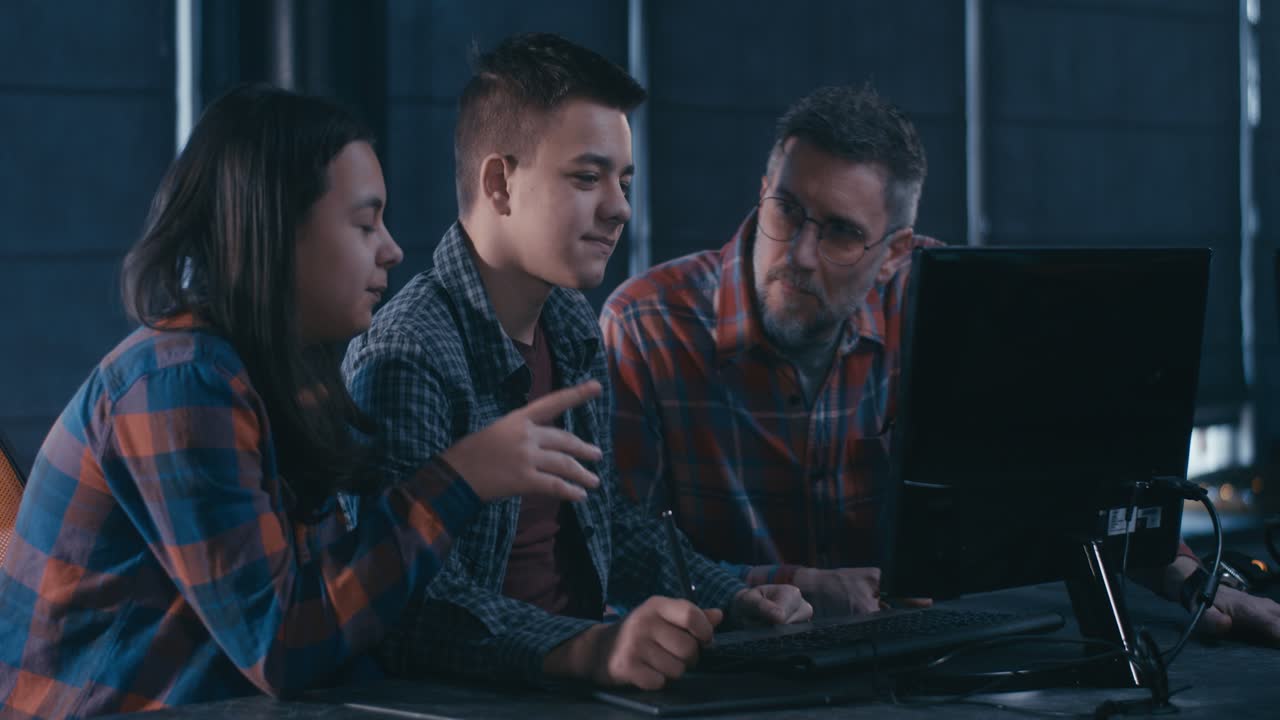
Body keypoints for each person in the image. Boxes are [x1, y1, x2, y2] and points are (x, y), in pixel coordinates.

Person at [0, 84, 602, 718]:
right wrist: (461, 477)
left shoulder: (277, 381)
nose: (393, 249)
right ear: (276, 231)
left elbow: (330, 623)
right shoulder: (178, 384)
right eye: (365, 223)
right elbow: (283, 645)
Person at [600, 84, 1280, 644]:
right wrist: (789, 583)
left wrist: (1196, 579)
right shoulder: (646, 324)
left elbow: (1063, 484)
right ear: (763, 190)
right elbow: (614, 545)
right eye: (787, 211)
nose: (799, 254)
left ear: (895, 252)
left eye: (839, 232)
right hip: (731, 674)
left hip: (925, 668)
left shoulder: (943, 305)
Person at [342, 33, 810, 692]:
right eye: (587, 177)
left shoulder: (570, 326)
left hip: (585, 686)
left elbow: (607, 525)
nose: (619, 207)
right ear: (500, 184)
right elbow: (406, 612)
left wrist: (735, 600)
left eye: (623, 181)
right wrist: (592, 647)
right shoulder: (408, 355)